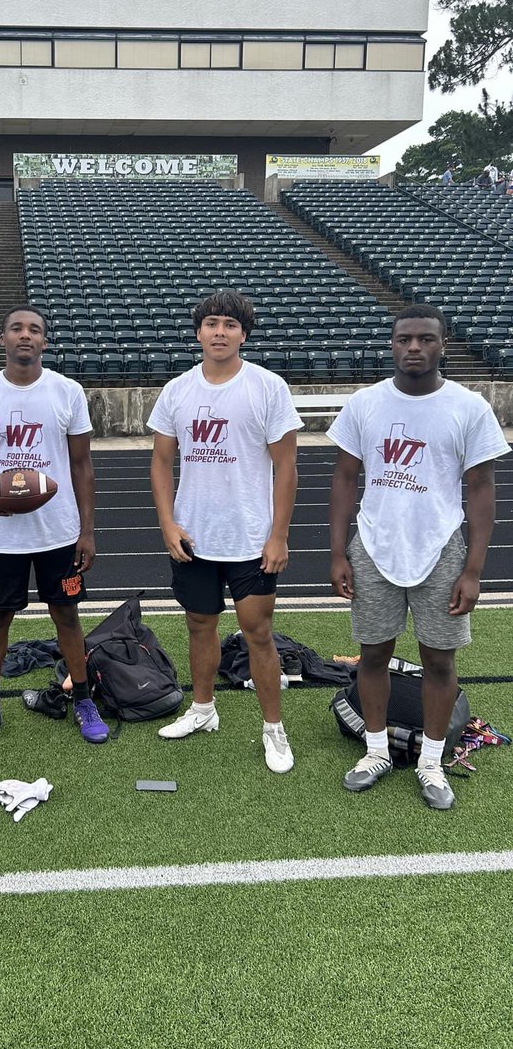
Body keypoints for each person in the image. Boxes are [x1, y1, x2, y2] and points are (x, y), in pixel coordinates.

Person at [328, 304, 509, 809]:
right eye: (404, 338)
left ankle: (431, 761)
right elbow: (344, 478)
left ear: (442, 344)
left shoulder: (468, 406)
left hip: (442, 546)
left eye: (425, 339)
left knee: (439, 660)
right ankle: (377, 750)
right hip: (374, 543)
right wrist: (338, 552)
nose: (414, 347)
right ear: (392, 344)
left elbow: (481, 489)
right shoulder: (365, 403)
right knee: (373, 655)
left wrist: (473, 570)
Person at [147, 290, 302, 773]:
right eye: (211, 323)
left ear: (243, 334)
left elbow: (287, 465)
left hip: (251, 539)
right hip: (194, 536)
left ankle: (273, 729)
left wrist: (278, 535)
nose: (219, 332)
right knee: (199, 626)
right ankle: (203, 709)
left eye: (230, 325)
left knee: (258, 633)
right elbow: (160, 460)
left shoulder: (267, 387)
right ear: (198, 332)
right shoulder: (177, 390)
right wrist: (168, 522)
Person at [0, 306, 108, 746]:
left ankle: (82, 699)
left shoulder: (67, 391)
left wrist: (87, 530)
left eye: (35, 330)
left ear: (45, 342)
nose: (26, 335)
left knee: (66, 614)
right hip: (2, 535)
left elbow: (82, 464)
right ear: (2, 339)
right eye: (17, 328)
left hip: (58, 531)